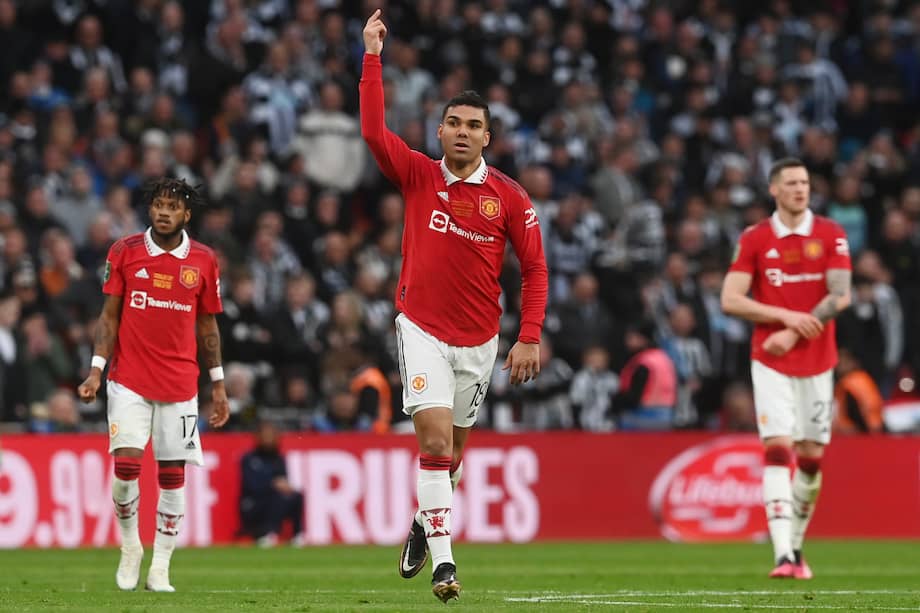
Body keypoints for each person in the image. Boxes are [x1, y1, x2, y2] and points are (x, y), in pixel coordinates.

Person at [360, 10, 548, 603]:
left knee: (453, 457)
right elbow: (371, 132)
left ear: (487, 137)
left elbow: (536, 268)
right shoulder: (417, 175)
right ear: (439, 132)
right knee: (435, 445)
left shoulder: (509, 198)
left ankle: (423, 521)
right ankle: (445, 564)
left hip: (479, 342)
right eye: (453, 123)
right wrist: (372, 56)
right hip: (421, 329)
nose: (462, 132)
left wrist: (530, 334)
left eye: (473, 125)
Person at [77, 177, 230, 592]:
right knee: (126, 466)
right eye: (158, 205)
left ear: (186, 215)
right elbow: (109, 316)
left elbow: (208, 323)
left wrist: (218, 385)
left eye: (172, 206)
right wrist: (96, 369)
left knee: (171, 474)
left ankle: (161, 566)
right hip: (128, 378)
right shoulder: (124, 251)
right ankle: (131, 547)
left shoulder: (203, 260)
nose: (163, 212)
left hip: (180, 384)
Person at [721, 158, 851, 580]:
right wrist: (783, 316)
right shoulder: (755, 237)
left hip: (817, 362)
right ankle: (782, 555)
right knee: (777, 449)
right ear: (774, 189)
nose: (800, 189)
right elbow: (731, 298)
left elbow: (841, 295)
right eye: (792, 183)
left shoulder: (831, 234)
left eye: (805, 182)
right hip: (769, 360)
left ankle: (795, 543)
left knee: (811, 459)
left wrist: (793, 330)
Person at [239, 421, 304, 546]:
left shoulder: (278, 459)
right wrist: (272, 484)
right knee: (276, 497)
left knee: (296, 496)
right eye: (265, 436)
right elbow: (251, 485)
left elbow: (283, 480)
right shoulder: (249, 459)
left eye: (271, 436)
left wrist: (286, 487)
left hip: (274, 500)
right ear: (258, 437)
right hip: (253, 503)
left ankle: (297, 534)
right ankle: (268, 532)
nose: (268, 439)